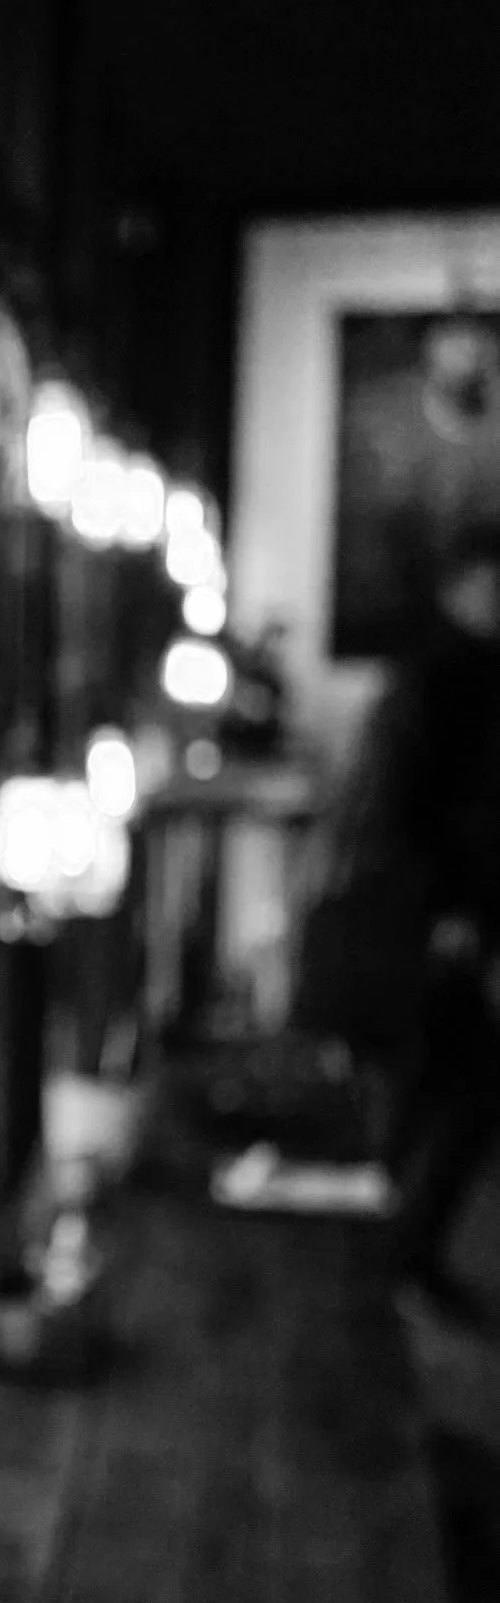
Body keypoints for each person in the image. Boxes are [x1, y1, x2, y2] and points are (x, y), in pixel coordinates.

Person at [296, 519, 500, 1326]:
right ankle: (382, 1257)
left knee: (436, 1091)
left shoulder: (457, 671)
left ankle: (387, 1254)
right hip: (420, 920)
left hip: (440, 916)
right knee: (441, 1088)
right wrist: (449, 910)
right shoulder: (442, 676)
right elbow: (417, 810)